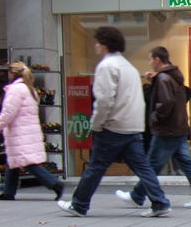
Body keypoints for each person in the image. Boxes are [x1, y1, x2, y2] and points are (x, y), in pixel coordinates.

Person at [57, 26, 171, 217]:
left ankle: (79, 204)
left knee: (96, 166)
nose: (95, 45)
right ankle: (160, 202)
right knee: (143, 167)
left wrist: (96, 124)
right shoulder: (129, 68)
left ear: (104, 44)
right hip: (132, 126)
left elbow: (104, 100)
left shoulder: (106, 66)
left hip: (113, 126)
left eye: (97, 42)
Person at [116, 46, 191, 209]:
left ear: (157, 59)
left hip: (167, 129)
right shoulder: (173, 76)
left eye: (150, 59)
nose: (150, 63)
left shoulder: (163, 79)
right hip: (178, 126)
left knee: (152, 163)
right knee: (185, 161)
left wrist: (154, 117)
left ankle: (137, 195)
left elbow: (165, 102)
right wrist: (154, 81)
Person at [0, 61, 64, 201]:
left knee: (27, 162)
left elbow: (7, 114)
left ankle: (54, 184)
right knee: (14, 161)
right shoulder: (29, 89)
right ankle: (9, 192)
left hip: (19, 133)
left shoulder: (16, 90)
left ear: (13, 74)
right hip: (27, 131)